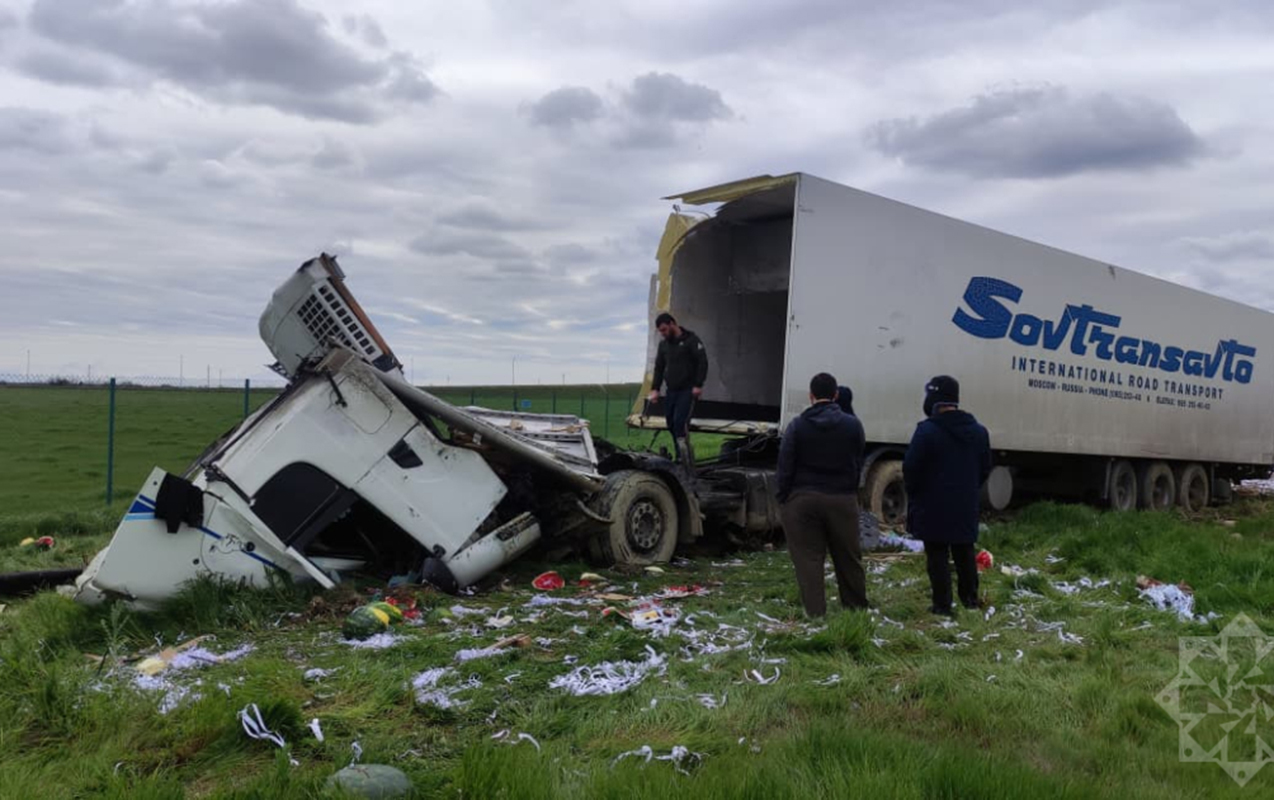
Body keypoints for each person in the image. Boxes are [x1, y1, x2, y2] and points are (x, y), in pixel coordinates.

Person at [775, 372, 869, 617]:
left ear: (811, 395)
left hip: (803, 498)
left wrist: (783, 498)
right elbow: (858, 460)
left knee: (809, 559)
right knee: (848, 558)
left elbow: (785, 465)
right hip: (841, 498)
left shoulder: (797, 426)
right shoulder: (853, 425)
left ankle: (816, 613)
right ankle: (856, 609)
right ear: (836, 395)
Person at [903, 375, 992, 616]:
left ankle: (942, 605)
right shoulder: (979, 432)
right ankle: (970, 600)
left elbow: (911, 468)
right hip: (964, 503)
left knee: (937, 555)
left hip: (932, 505)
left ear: (934, 400)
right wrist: (968, 489)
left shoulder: (927, 431)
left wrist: (917, 493)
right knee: (965, 551)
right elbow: (985, 468)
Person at [647, 312, 708, 468]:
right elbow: (659, 368)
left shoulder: (691, 340)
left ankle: (684, 458)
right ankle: (680, 453)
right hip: (671, 390)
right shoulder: (664, 345)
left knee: (680, 422)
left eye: (664, 329)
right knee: (671, 423)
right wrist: (655, 389)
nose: (663, 333)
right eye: (660, 331)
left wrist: (698, 384)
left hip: (687, 390)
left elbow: (702, 362)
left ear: (672, 324)